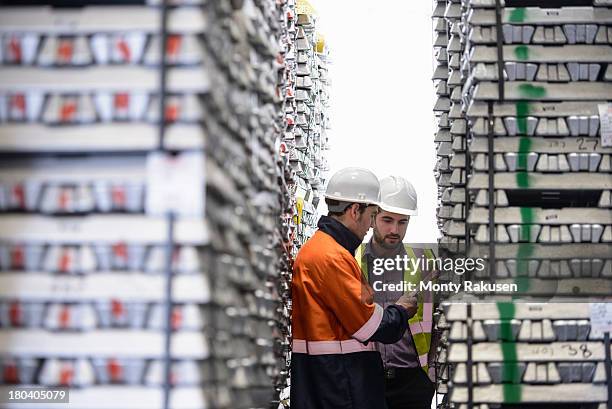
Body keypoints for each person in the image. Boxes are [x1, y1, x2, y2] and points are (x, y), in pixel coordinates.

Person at [291, 167, 418, 409]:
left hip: (332, 381)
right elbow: (370, 326)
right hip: (340, 387)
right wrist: (401, 311)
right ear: (354, 210)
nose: (371, 225)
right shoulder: (332, 256)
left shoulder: (324, 250)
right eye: (372, 216)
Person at [355, 176, 437, 409]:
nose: (394, 230)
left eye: (403, 222)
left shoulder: (425, 261)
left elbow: (438, 321)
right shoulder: (352, 259)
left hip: (412, 380)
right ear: (372, 217)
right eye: (387, 220)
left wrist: (430, 376)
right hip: (366, 377)